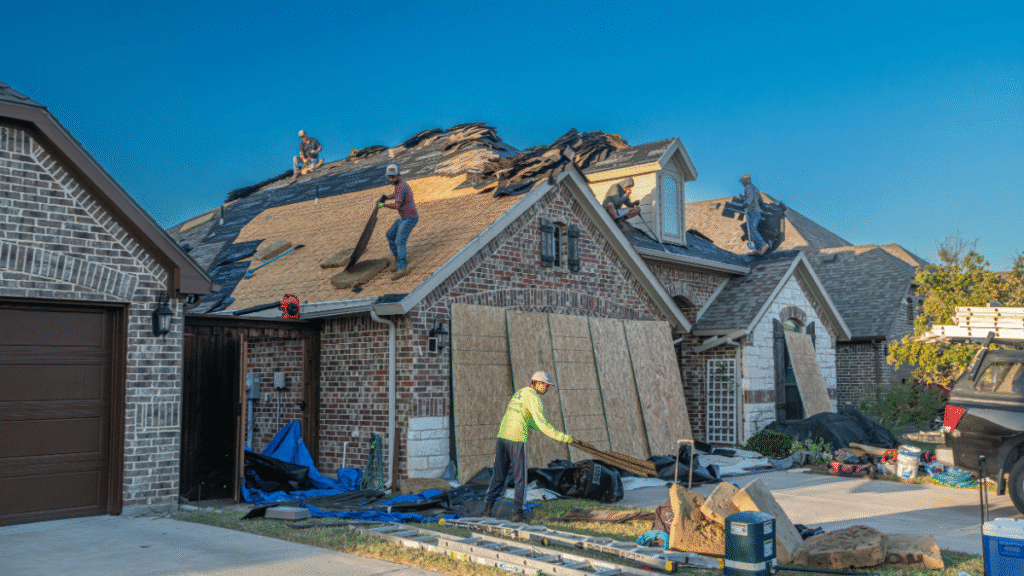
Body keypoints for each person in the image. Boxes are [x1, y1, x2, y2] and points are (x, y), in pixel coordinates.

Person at [482, 371, 574, 522]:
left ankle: (487, 509)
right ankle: (519, 513)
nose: (547, 388)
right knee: (521, 478)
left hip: (502, 437)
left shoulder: (520, 393)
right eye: (545, 385)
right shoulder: (534, 398)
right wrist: (562, 437)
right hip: (517, 438)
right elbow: (541, 423)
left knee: (498, 475)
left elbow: (532, 423)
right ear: (537, 383)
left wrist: (546, 431)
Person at [378, 164, 418, 280]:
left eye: (393, 177)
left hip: (409, 218)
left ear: (398, 175)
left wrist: (383, 205)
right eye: (389, 177)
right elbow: (396, 195)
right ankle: (397, 257)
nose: (391, 179)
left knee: (400, 241)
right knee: (390, 234)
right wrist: (386, 197)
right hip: (403, 217)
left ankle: (402, 268)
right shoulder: (398, 184)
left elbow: (397, 205)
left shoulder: (401, 186)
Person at [740, 173, 768, 253]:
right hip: (757, 211)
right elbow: (761, 200)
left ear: (745, 181)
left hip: (751, 211)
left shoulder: (748, 187)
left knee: (751, 228)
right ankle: (759, 248)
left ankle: (762, 245)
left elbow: (750, 196)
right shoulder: (755, 188)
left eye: (742, 181)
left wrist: (746, 203)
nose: (742, 183)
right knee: (752, 229)